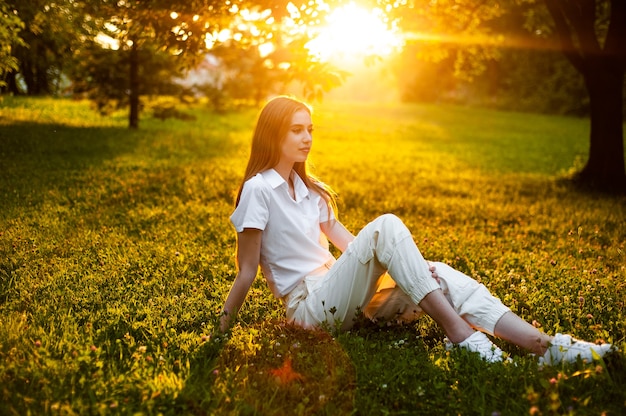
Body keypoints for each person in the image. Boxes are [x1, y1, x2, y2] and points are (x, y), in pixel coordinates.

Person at [218, 96, 614, 365]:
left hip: (338, 295)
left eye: (310, 129)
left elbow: (352, 249)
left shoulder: (309, 191)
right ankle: (460, 335)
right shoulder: (258, 191)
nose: (306, 138)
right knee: (387, 226)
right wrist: (220, 334)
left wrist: (407, 272)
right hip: (308, 310)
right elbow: (247, 271)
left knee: (436, 273)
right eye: (295, 130)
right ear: (273, 134)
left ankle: (543, 345)